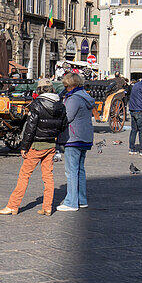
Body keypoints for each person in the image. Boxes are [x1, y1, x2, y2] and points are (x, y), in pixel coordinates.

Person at [0, 82, 67, 217]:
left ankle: (12, 206)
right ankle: (47, 207)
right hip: (51, 145)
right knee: (48, 177)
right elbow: (63, 125)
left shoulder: (37, 104)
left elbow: (30, 129)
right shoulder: (60, 105)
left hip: (36, 145)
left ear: (39, 90)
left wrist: (24, 147)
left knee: (24, 176)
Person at [58, 72, 94, 211]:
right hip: (85, 137)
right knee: (80, 169)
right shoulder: (85, 96)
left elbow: (67, 117)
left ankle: (71, 202)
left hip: (73, 137)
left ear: (70, 85)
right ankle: (81, 199)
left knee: (71, 171)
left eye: (66, 86)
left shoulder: (74, 98)